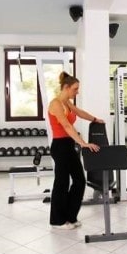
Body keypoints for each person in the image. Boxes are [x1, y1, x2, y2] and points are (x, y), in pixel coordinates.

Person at [48, 72, 104, 229]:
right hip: (60, 146)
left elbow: (79, 112)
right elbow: (66, 126)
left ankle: (70, 217)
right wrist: (83, 143)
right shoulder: (56, 104)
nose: (77, 92)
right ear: (66, 87)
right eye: (75, 89)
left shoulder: (67, 102)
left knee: (79, 181)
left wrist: (94, 119)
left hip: (68, 145)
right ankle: (57, 221)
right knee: (62, 183)